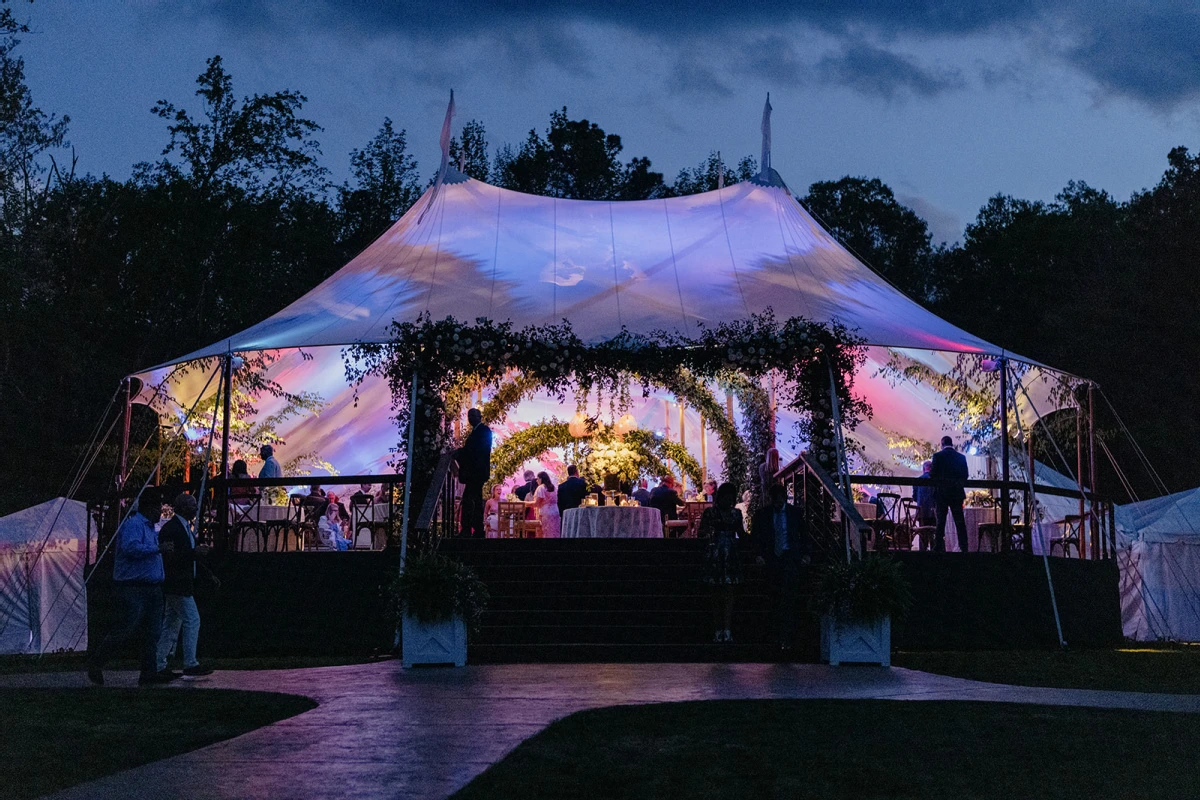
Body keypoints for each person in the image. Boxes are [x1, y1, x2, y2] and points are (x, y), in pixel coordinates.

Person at [88, 488, 176, 686]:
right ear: (149, 508)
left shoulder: (149, 528)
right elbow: (130, 548)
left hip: (151, 586)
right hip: (133, 586)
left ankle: (148, 672)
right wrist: (157, 549)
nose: (160, 513)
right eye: (158, 508)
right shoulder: (134, 525)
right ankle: (97, 661)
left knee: (152, 632)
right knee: (126, 627)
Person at [156, 493, 215, 679]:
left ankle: (159, 663)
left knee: (171, 624)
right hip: (178, 583)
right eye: (193, 506)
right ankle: (190, 662)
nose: (196, 509)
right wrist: (193, 553)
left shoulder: (181, 528)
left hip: (179, 583)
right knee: (192, 619)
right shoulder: (174, 529)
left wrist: (207, 573)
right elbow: (172, 556)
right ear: (183, 508)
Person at [753, 483, 810, 650]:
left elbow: (804, 534)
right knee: (773, 597)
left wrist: (806, 554)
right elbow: (757, 536)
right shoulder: (763, 514)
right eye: (775, 500)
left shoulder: (794, 513)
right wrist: (758, 555)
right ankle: (774, 635)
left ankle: (786, 636)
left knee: (788, 597)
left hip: (789, 558)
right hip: (771, 558)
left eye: (780, 499)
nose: (777, 503)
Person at [698, 482, 745, 643]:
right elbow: (702, 532)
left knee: (727, 592)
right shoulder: (712, 512)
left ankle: (725, 628)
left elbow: (741, 533)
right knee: (717, 592)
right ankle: (721, 628)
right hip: (718, 552)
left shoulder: (734, 513)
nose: (728, 500)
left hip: (727, 552)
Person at [455, 408, 493, 538]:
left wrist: (460, 453)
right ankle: (476, 529)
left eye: (473, 415)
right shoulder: (477, 431)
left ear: (479, 416)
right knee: (474, 500)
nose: (471, 418)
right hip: (475, 473)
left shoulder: (483, 431)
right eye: (469, 416)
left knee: (469, 500)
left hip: (476, 473)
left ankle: (469, 529)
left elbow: (476, 451)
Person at [930, 436, 970, 552]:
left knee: (940, 522)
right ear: (952, 444)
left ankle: (938, 547)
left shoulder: (937, 456)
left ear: (942, 444)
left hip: (942, 494)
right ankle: (964, 546)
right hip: (956, 493)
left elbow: (932, 474)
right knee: (959, 522)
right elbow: (965, 475)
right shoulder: (961, 457)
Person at [533, 471, 560, 538]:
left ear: (541, 479)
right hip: (555, 512)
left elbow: (536, 503)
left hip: (546, 514)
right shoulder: (553, 487)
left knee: (545, 533)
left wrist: (524, 503)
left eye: (537, 479)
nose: (536, 481)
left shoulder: (541, 488)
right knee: (554, 533)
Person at [913, 460, 936, 526]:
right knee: (933, 531)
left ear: (923, 469)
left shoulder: (917, 480)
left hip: (921, 512)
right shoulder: (935, 480)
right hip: (933, 512)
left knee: (922, 532)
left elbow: (914, 497)